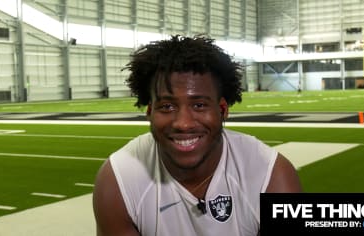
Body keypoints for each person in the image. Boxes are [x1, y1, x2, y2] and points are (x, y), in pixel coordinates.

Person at [93, 35, 302, 236]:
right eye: (166, 106)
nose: (184, 123)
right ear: (150, 112)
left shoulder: (271, 175)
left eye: (199, 105)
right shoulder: (118, 179)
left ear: (222, 109)